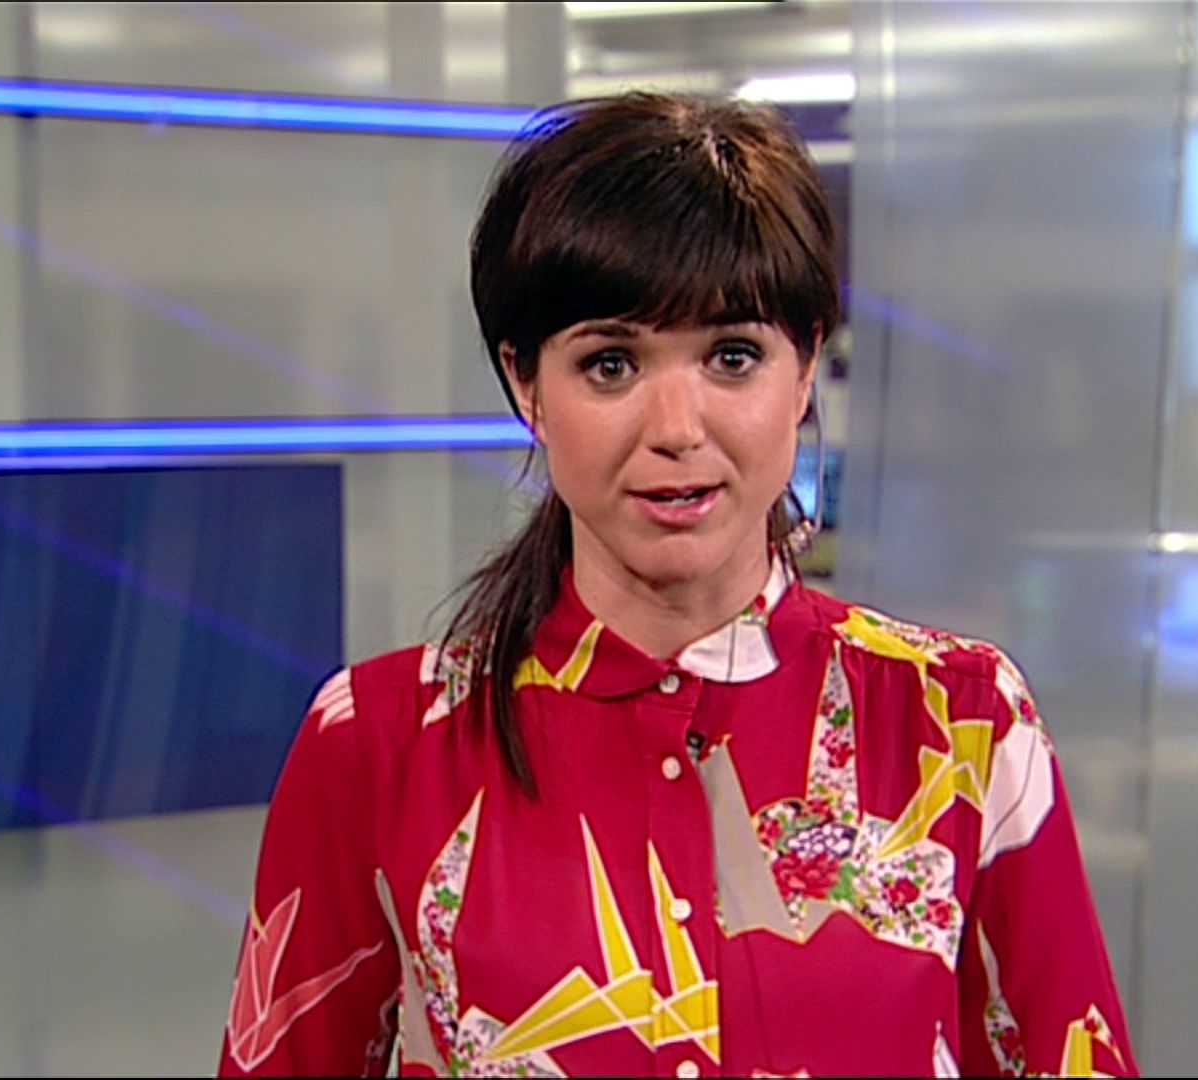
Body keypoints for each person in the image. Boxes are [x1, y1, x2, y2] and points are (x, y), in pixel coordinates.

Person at [217, 92, 1136, 1078]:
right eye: (610, 364)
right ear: (525, 384)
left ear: (805, 367)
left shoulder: (958, 720)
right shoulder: (379, 741)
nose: (676, 429)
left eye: (732, 357)